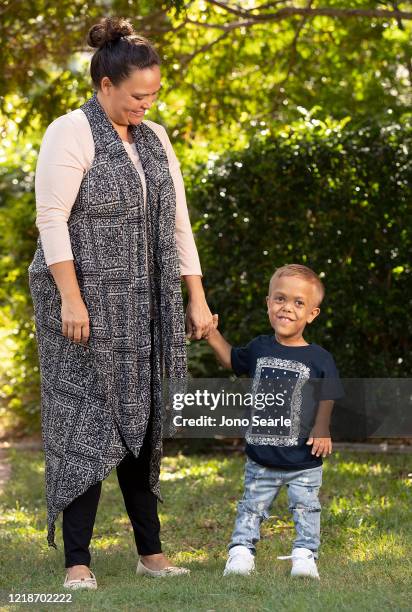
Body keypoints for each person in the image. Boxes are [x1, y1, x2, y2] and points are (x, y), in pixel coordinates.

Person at [28, 16, 214, 589]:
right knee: (85, 420)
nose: (146, 104)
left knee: (145, 420)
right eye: (138, 95)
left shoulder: (155, 139)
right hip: (81, 308)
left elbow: (177, 222)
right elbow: (51, 219)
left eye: (153, 95)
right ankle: (77, 562)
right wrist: (71, 299)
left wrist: (196, 297)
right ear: (105, 85)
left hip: (144, 307)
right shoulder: (71, 131)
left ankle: (151, 552)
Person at [204, 264, 343, 579]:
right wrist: (212, 333)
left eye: (298, 303)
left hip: (304, 460)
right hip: (261, 458)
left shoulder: (319, 358)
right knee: (251, 507)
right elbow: (230, 358)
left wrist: (322, 428)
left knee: (306, 509)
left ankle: (305, 555)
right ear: (268, 302)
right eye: (280, 299)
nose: (287, 308)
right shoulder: (259, 348)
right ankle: (241, 553)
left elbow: (328, 395)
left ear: (312, 314)